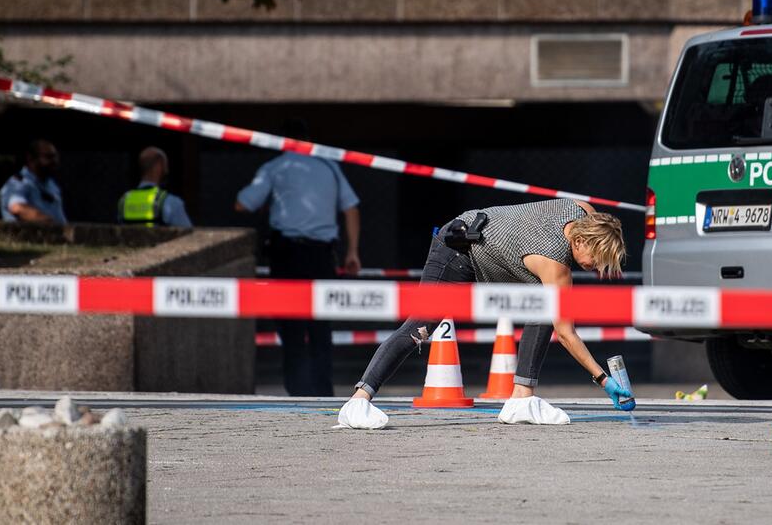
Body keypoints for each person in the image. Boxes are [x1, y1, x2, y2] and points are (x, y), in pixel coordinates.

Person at [337, 198, 631, 429]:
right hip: (456, 248)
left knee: (544, 306)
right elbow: (567, 334)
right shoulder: (555, 266)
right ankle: (357, 402)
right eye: (596, 259)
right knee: (420, 326)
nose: (596, 268)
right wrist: (603, 380)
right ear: (579, 242)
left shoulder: (585, 213)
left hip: (481, 238)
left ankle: (521, 400)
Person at [235, 120, 361, 397]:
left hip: (287, 255)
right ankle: (322, 392)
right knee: (320, 327)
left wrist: (274, 201)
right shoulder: (330, 167)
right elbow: (351, 208)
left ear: (282, 141)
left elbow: (243, 203)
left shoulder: (275, 168)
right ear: (308, 140)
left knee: (291, 328)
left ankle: (297, 393)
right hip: (321, 257)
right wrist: (352, 252)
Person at [117, 147, 192, 227]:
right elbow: (188, 236)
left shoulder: (124, 201)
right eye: (165, 166)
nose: (167, 171)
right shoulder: (170, 203)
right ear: (158, 166)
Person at [0, 139, 67, 224]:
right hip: (26, 237)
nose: (55, 161)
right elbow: (17, 208)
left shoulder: (51, 185)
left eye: (55, 156)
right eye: (49, 157)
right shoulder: (17, 183)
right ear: (31, 158)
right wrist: (50, 223)